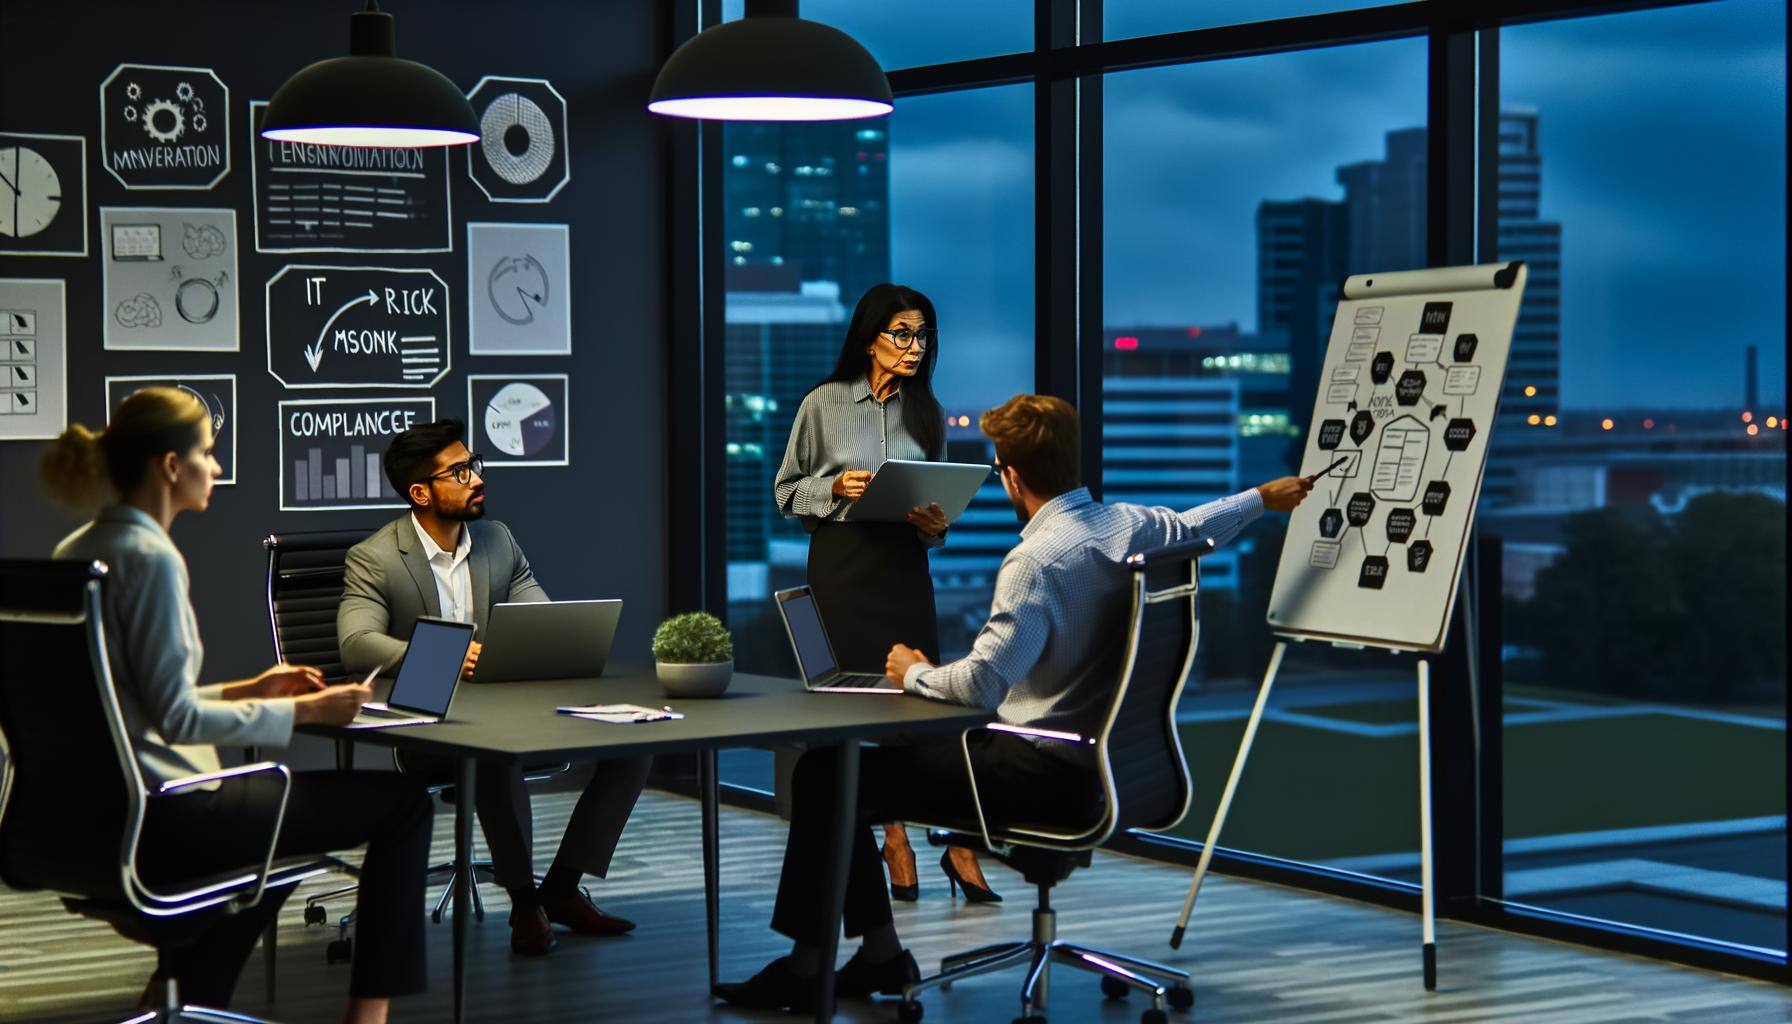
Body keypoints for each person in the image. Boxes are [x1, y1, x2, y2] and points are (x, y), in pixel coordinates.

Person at [717, 393, 1313, 1011]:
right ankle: (877, 955)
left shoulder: (1035, 562)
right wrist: (1262, 500)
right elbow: (1198, 524)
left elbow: (980, 687)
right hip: (1111, 769)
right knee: (856, 764)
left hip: (1031, 776)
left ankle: (815, 963)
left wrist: (914, 672)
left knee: (825, 771)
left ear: (1011, 475)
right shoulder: (1134, 526)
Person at [41, 387, 430, 1024]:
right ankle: (369, 1018)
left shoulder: (81, 549)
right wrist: (311, 712)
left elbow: (127, 705)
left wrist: (251, 690)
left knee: (268, 855)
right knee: (405, 808)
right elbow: (176, 721)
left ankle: (185, 1001)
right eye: (208, 453)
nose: (216, 468)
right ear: (171, 465)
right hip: (165, 818)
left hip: (88, 821)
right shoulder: (150, 560)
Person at [337, 419, 651, 957]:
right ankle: (526, 903)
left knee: (636, 745)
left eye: (473, 464)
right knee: (492, 756)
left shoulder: (497, 539)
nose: (476, 478)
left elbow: (538, 609)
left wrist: (557, 637)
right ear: (421, 492)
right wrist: (446, 652)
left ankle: (562, 886)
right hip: (429, 721)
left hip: (507, 705)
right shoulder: (376, 557)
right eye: (458, 471)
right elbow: (357, 642)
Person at [772, 282, 997, 905]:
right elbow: (786, 491)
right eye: (903, 333)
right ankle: (892, 838)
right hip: (843, 569)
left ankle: (955, 842)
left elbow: (938, 511)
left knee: (916, 704)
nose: (915, 346)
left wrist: (936, 527)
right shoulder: (822, 404)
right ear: (870, 337)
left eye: (923, 335)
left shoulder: (927, 411)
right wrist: (835, 489)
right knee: (850, 705)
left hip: (903, 569)